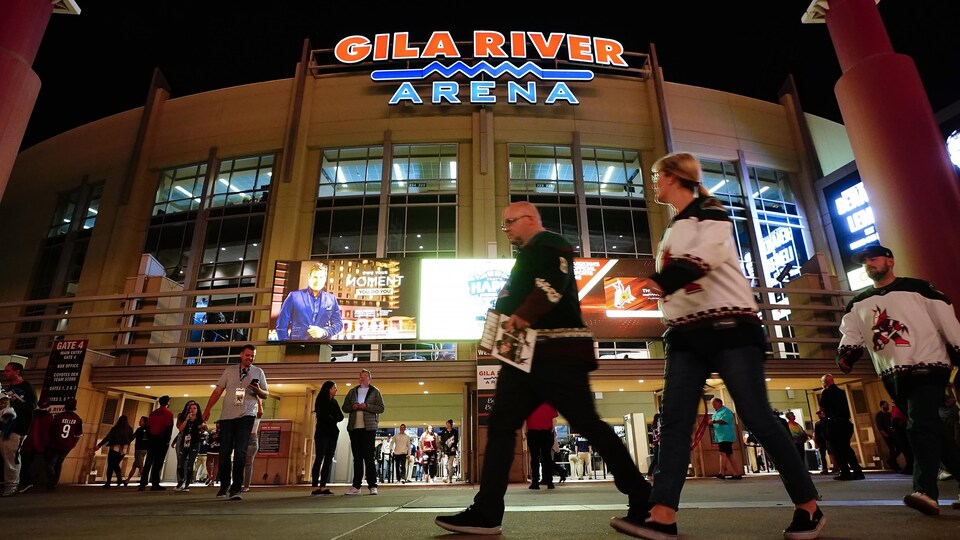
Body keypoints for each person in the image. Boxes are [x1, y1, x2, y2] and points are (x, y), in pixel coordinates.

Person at [610, 153, 824, 540]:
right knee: (673, 423)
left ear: (674, 177)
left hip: (730, 329)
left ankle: (808, 505)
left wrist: (660, 282)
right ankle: (662, 515)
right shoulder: (675, 227)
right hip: (685, 335)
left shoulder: (711, 212)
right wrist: (660, 294)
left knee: (757, 417)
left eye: (657, 175)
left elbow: (703, 258)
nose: (653, 182)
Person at [436, 201, 650, 536]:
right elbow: (515, 299)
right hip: (525, 355)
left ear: (530, 219)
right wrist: (498, 326)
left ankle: (643, 499)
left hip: (558, 354)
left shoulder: (551, 243)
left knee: (587, 425)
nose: (505, 228)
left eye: (509, 222)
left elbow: (552, 285)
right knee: (502, 427)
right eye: (503, 222)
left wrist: (522, 315)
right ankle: (487, 511)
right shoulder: (526, 256)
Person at [836, 243, 960, 515]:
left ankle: (925, 490)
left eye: (874, 258)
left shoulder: (920, 289)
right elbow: (852, 333)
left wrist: (958, 349)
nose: (869, 263)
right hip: (892, 373)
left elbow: (946, 321)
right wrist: (847, 354)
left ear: (890, 261)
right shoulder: (858, 302)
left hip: (928, 365)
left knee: (919, 426)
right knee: (932, 431)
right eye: (865, 261)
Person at [202, 344, 269, 500]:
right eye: (248, 355)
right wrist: (207, 409)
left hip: (247, 415)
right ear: (241, 355)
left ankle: (236, 488)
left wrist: (258, 390)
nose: (250, 358)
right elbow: (217, 391)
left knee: (240, 452)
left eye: (253, 356)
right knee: (224, 453)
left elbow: (266, 394)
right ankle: (224, 485)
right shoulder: (229, 371)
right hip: (227, 416)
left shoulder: (258, 372)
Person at [341, 368, 385, 495]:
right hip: (354, 428)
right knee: (357, 458)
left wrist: (366, 407)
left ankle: (372, 485)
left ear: (370, 378)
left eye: (365, 376)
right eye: (360, 376)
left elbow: (381, 408)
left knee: (369, 457)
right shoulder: (352, 391)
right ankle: (356, 486)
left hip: (369, 428)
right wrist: (352, 407)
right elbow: (345, 407)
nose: (362, 378)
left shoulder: (375, 391)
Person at [275, 262, 344, 340]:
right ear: (309, 278)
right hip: (297, 346)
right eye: (315, 277)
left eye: (321, 277)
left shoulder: (331, 299)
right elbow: (281, 325)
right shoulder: (294, 296)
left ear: (325, 280)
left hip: (322, 346)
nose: (318, 280)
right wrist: (286, 344)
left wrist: (324, 332)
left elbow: (338, 324)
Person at [818, 374, 864, 481]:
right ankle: (857, 471)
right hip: (845, 423)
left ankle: (845, 472)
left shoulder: (826, 392)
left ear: (825, 383)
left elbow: (822, 406)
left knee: (838, 449)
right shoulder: (841, 392)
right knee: (847, 447)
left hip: (835, 424)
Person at [2, 362, 37, 497]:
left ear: (17, 371)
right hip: (7, 426)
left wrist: (14, 407)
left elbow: (31, 406)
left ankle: (12, 485)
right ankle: (10, 483)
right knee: (7, 455)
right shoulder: (10, 387)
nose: (5, 373)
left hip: (19, 427)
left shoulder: (27, 387)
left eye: (8, 371)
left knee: (12, 456)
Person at [311, 380, 343, 496]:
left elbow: (341, 416)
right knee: (319, 457)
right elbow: (324, 416)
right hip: (322, 432)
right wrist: (333, 417)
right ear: (328, 389)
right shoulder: (321, 401)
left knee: (328, 459)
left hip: (332, 433)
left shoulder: (334, 402)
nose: (336, 389)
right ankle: (315, 486)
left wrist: (332, 417)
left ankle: (323, 485)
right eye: (334, 387)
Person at [46, 397, 83, 490]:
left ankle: (52, 481)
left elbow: (52, 431)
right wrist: (73, 444)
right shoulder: (77, 419)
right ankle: (54, 483)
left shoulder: (59, 417)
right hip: (67, 445)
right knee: (59, 463)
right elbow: (78, 434)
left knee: (50, 464)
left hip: (57, 443)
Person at [139, 395, 174, 492]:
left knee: (148, 462)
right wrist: (167, 441)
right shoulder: (168, 413)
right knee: (158, 463)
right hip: (161, 440)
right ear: (167, 402)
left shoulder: (153, 413)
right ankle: (155, 483)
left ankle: (142, 483)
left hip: (152, 439)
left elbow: (149, 427)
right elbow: (168, 428)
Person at [18, 397, 53, 493]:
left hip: (27, 443)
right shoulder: (49, 418)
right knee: (34, 465)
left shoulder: (32, 415)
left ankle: (25, 482)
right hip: (41, 446)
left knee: (24, 463)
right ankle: (29, 482)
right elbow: (49, 433)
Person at [94, 415, 134, 489]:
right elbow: (131, 438)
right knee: (115, 464)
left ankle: (109, 482)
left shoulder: (116, 428)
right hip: (123, 449)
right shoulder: (129, 429)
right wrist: (125, 443)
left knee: (111, 466)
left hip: (114, 448)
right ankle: (119, 479)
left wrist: (99, 445)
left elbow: (108, 437)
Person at [174, 400, 205, 492]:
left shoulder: (199, 419)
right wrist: (187, 419)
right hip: (185, 442)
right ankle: (182, 479)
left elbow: (202, 428)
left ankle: (187, 484)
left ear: (197, 409)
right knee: (180, 463)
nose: (192, 410)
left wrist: (199, 426)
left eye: (194, 408)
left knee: (190, 465)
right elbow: (180, 429)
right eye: (191, 408)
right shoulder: (185, 418)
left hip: (195, 442)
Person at [526, 403, 558, 490]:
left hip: (533, 433)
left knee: (534, 458)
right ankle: (549, 482)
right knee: (547, 458)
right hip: (546, 433)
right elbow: (554, 420)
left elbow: (524, 421)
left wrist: (526, 432)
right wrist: (551, 431)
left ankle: (535, 482)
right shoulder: (550, 405)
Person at [710, 399, 743, 480]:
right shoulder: (716, 413)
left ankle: (722, 472)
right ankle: (737, 473)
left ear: (720, 403)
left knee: (723, 453)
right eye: (712, 404)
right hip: (720, 436)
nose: (714, 405)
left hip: (726, 436)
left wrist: (713, 422)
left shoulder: (726, 411)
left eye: (715, 403)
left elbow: (723, 421)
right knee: (729, 454)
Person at [242, 397, 264, 492]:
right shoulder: (243, 415)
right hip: (243, 438)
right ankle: (238, 483)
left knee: (248, 462)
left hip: (252, 439)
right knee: (240, 461)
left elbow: (260, 412)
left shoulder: (256, 415)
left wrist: (259, 401)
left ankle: (246, 485)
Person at [875, 400, 901, 471]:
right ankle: (894, 464)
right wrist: (886, 435)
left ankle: (891, 460)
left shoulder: (889, 414)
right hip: (887, 435)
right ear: (882, 406)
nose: (887, 406)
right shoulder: (879, 415)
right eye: (886, 405)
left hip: (893, 434)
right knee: (892, 449)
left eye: (888, 405)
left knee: (899, 448)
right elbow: (880, 427)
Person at [124, 416, 149, 487]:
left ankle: (144, 481)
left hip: (139, 449)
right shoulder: (148, 429)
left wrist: (126, 441)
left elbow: (132, 437)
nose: (139, 421)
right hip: (145, 449)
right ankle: (128, 479)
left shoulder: (139, 430)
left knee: (140, 465)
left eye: (141, 420)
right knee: (135, 465)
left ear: (144, 422)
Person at [813, 409, 831, 475]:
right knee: (828, 454)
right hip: (825, 440)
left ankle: (826, 469)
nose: (819, 415)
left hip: (823, 440)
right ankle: (829, 468)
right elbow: (816, 434)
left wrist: (816, 442)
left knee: (825, 455)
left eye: (820, 414)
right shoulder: (827, 421)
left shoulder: (819, 423)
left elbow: (817, 434)